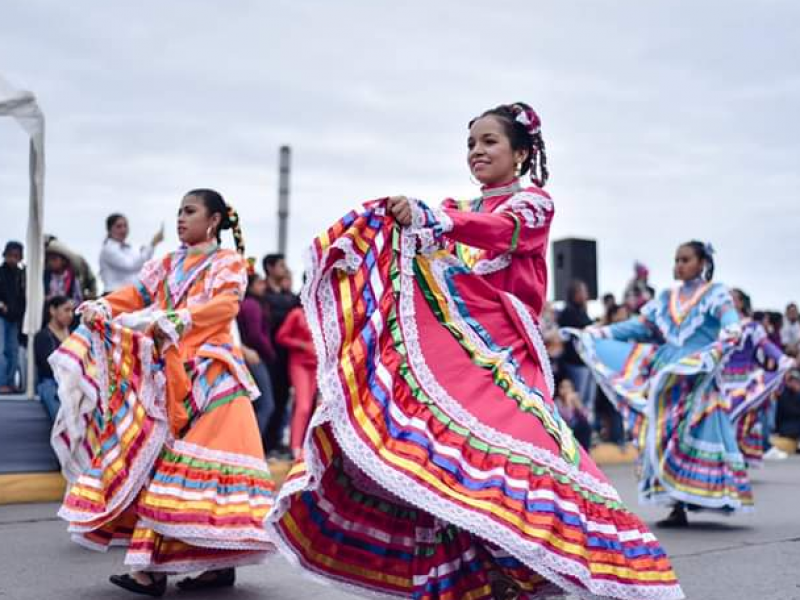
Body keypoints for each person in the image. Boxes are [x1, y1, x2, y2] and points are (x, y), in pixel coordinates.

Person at [266, 103, 682, 600]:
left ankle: (590, 564)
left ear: (522, 153)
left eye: (490, 142)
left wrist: (435, 220)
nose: (477, 152)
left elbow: (498, 232)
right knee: (439, 458)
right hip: (453, 359)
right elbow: (431, 256)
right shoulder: (457, 210)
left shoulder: (533, 206)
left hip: (506, 355)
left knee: (528, 452)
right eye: (471, 144)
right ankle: (477, 578)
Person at [49, 189, 275, 596]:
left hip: (215, 376)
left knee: (183, 476)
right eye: (178, 212)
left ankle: (162, 570)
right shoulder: (167, 263)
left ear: (214, 220)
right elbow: (135, 295)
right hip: (171, 373)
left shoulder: (228, 262)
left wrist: (181, 317)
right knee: (165, 471)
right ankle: (182, 568)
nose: (181, 218)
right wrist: (103, 306)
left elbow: (225, 307)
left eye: (190, 211)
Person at [568, 241, 752, 528]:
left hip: (696, 374)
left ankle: (695, 496)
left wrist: (728, 336)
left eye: (686, 259)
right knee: (663, 436)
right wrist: (599, 332)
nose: (679, 265)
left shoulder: (716, 294)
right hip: (666, 375)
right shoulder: (667, 297)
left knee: (695, 432)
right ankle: (676, 504)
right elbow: (639, 327)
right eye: (676, 260)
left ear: (702, 263)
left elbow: (731, 324)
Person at [721, 289, 796, 466]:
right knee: (720, 418)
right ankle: (725, 459)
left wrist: (782, 358)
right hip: (721, 381)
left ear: (740, 303)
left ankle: (735, 458)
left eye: (732, 299)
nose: (728, 302)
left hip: (744, 381)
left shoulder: (751, 327)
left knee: (737, 418)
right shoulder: (718, 327)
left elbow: (766, 345)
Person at [261, 253, 297, 456]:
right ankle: (263, 443)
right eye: (281, 265)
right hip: (267, 357)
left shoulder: (288, 297)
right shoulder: (262, 294)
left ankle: (274, 443)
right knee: (268, 400)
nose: (284, 269)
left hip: (286, 357)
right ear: (269, 267)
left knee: (282, 399)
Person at [237, 270, 277, 450]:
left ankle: (247, 446)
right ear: (251, 286)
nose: (264, 286)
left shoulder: (245, 303)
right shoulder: (252, 305)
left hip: (246, 355)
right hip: (255, 357)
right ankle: (251, 448)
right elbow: (254, 335)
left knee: (255, 405)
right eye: (260, 283)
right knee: (266, 405)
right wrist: (270, 352)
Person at [275, 299, 317, 458]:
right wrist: (301, 345)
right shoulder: (297, 314)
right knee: (303, 406)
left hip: (315, 365)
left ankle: (301, 447)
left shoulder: (318, 316)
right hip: (299, 364)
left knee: (309, 408)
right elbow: (281, 336)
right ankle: (295, 447)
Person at [558, 280, 597, 421]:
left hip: (587, 361)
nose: (586, 295)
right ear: (575, 294)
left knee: (588, 400)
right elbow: (584, 329)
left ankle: (586, 428)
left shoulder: (583, 311)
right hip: (575, 362)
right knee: (577, 399)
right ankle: (578, 430)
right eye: (583, 291)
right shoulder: (568, 312)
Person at [99, 213, 164, 293]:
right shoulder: (108, 249)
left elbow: (143, 263)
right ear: (109, 229)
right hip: (114, 293)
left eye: (125, 226)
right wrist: (152, 244)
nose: (123, 230)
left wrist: (147, 249)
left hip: (129, 293)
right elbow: (131, 265)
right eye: (118, 227)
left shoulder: (129, 247)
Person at [34, 295, 73, 421]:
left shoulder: (75, 334)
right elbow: (48, 366)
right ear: (52, 310)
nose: (70, 314)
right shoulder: (43, 336)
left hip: (73, 381)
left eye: (72, 310)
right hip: (51, 382)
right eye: (66, 310)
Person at [0, 241, 25, 393]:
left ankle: (9, 382)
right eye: (10, 255)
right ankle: (2, 382)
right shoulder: (0, 272)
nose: (13, 259)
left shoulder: (22, 275)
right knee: (1, 350)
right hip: (1, 316)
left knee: (13, 351)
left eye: (16, 256)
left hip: (15, 318)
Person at [554, 377, 592, 450]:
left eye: (568, 387)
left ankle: (585, 453)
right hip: (564, 430)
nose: (566, 390)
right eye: (562, 387)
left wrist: (578, 405)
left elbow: (586, 416)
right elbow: (568, 419)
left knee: (585, 426)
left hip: (578, 431)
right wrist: (568, 403)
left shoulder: (575, 400)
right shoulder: (557, 402)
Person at [776, 369, 800, 441]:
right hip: (789, 428)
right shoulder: (784, 395)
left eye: (797, 381)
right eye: (793, 381)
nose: (795, 383)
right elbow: (790, 412)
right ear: (789, 382)